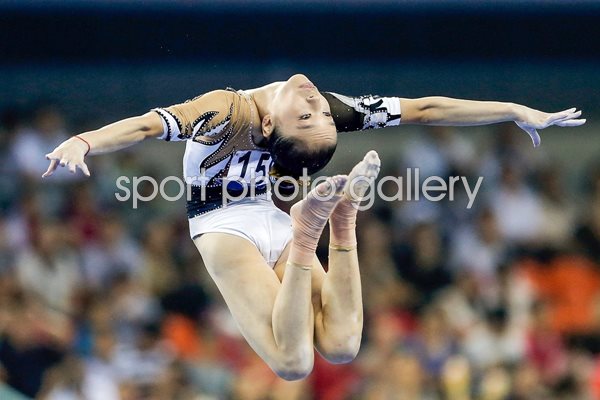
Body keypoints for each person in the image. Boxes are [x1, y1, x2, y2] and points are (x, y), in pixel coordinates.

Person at [42, 73, 585, 380]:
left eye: (319, 115)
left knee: (321, 353)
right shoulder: (235, 110)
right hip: (234, 226)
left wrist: (515, 108)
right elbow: (142, 126)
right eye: (315, 114)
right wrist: (85, 140)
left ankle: (325, 226)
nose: (315, 103)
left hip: (248, 222)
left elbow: (426, 109)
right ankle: (335, 220)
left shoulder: (273, 110)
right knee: (313, 355)